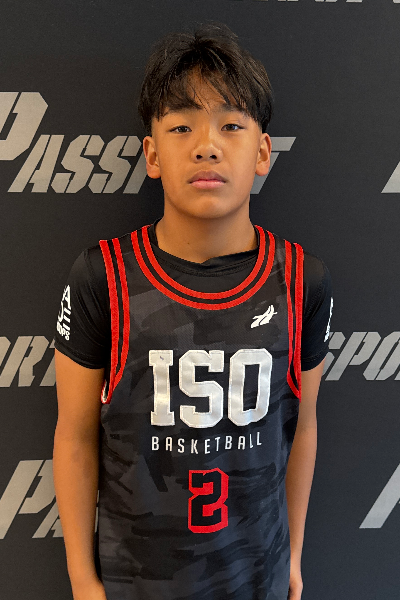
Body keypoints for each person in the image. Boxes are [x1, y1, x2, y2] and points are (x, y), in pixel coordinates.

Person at [53, 21, 333, 600]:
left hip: (256, 578)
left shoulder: (301, 280)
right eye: (181, 126)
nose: (206, 145)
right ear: (152, 154)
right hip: (134, 585)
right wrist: (82, 579)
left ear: (262, 152)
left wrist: (294, 557)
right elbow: (75, 437)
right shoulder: (103, 276)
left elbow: (301, 429)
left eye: (231, 125)